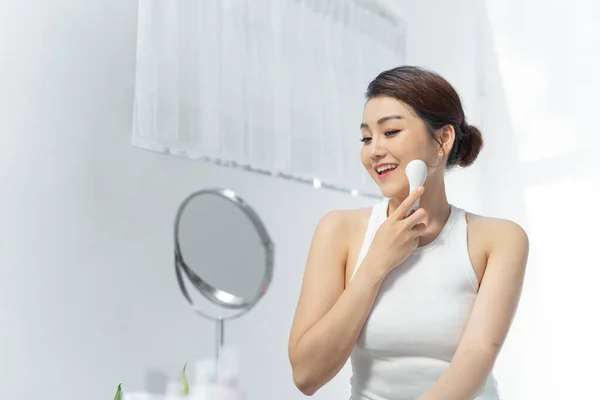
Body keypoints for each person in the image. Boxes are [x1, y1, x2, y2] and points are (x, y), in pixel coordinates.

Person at [288, 66, 529, 400]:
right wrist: (376, 262)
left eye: (390, 132)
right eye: (366, 137)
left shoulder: (498, 239)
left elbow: (476, 356)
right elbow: (306, 375)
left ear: (443, 139)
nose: (374, 150)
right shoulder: (338, 231)